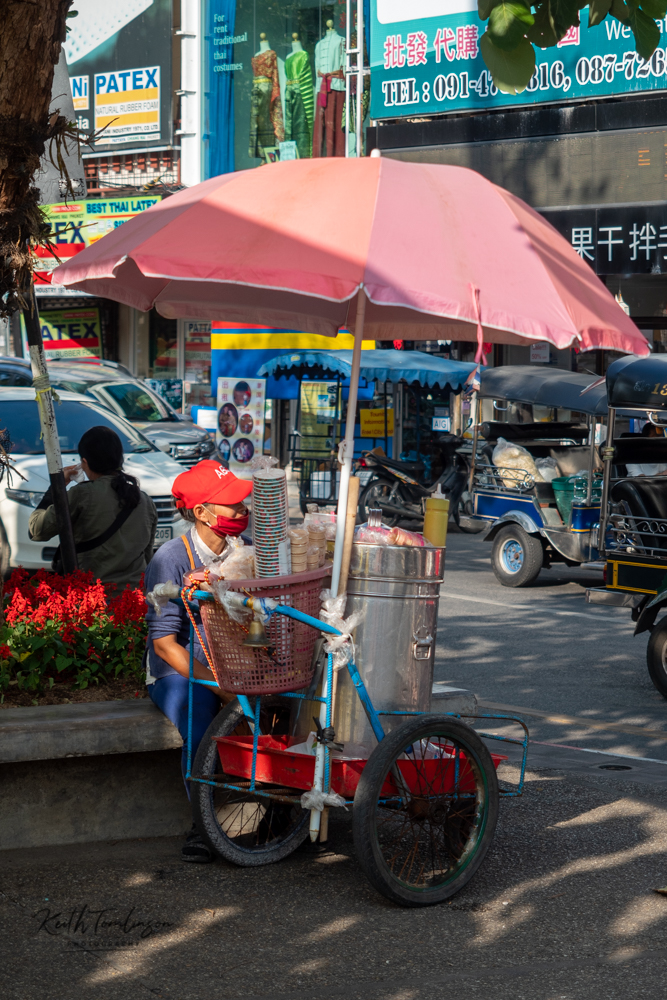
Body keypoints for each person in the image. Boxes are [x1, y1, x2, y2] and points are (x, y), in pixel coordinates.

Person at [144, 459, 252, 863]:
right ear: (203, 513)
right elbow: (165, 645)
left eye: (243, 504)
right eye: (233, 506)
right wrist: (219, 687)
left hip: (229, 661)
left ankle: (280, 812)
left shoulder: (241, 552)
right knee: (199, 709)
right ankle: (202, 824)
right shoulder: (170, 558)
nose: (243, 512)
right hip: (177, 670)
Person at [29, 426, 157, 591]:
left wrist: (57, 487)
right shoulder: (145, 500)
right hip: (133, 601)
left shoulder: (81, 494)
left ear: (85, 462)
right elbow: (146, 556)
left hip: (92, 603)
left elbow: (36, 530)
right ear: (120, 459)